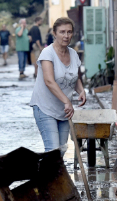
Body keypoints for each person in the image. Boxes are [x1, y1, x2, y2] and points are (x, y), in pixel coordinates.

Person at [29, 17, 86, 156]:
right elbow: (49, 81)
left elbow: (75, 77)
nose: (66, 36)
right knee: (52, 151)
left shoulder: (73, 54)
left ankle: (52, 177)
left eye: (69, 32)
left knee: (61, 152)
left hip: (64, 111)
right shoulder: (47, 53)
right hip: (45, 108)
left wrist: (81, 91)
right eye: (62, 32)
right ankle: (47, 177)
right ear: (54, 33)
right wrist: (67, 101)